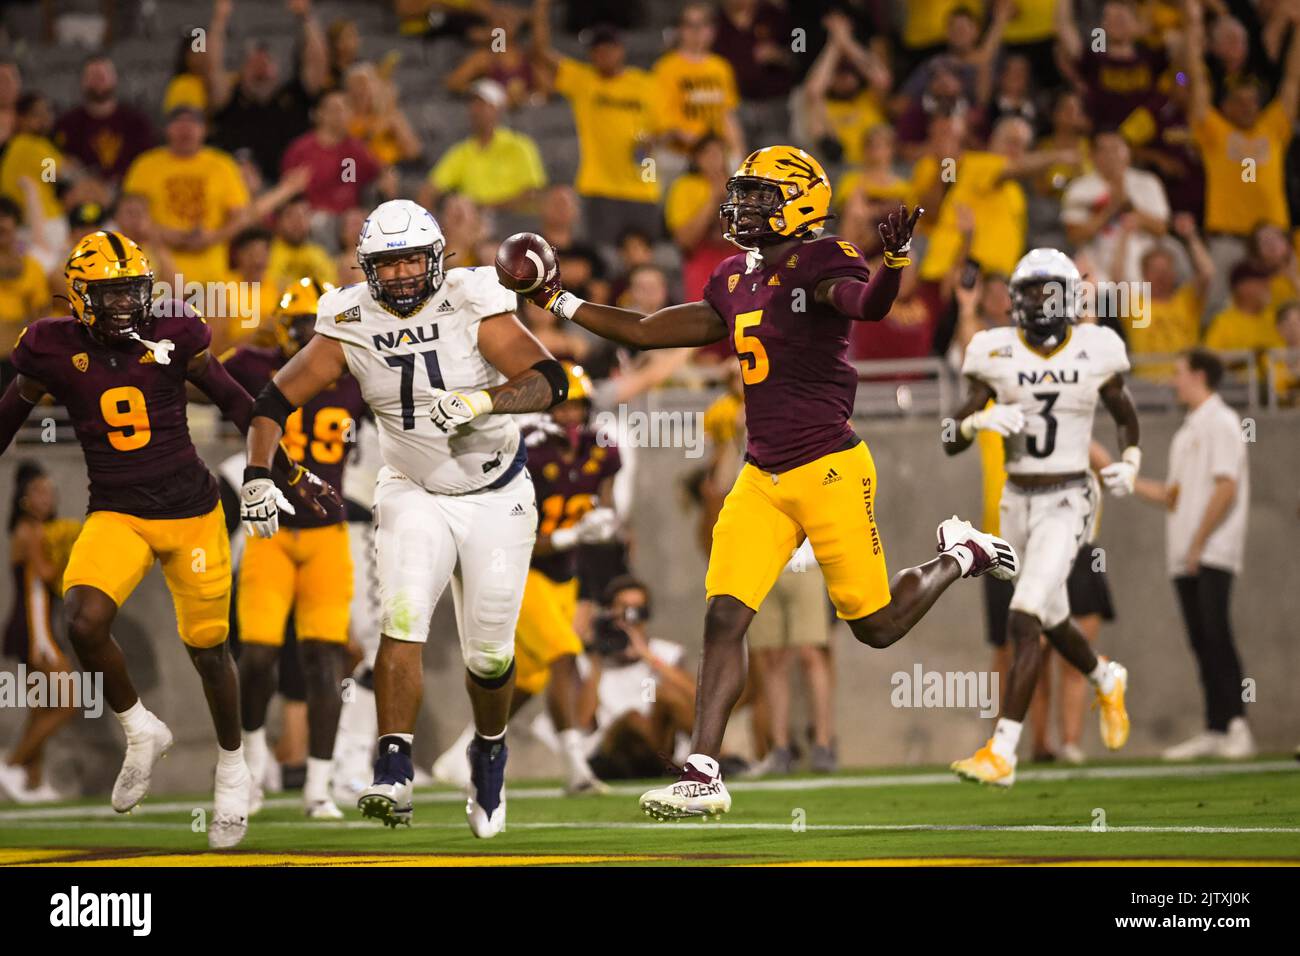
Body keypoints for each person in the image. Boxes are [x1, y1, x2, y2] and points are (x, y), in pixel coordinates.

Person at [515, 146, 1019, 819]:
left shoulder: (823, 258)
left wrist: (894, 263)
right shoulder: (733, 277)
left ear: (802, 202)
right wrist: (557, 299)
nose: (745, 207)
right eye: (744, 194)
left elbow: (866, 306)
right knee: (725, 613)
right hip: (762, 474)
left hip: (830, 467)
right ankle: (703, 771)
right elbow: (644, 329)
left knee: (874, 626)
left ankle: (961, 553)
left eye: (760, 196)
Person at [240, 199, 570, 837]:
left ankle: (489, 747)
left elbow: (550, 380)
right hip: (412, 490)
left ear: (437, 257)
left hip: (495, 495)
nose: (399, 275)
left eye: (412, 260)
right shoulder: (347, 317)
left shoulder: (473, 295)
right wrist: (259, 472)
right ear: (367, 268)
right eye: (386, 265)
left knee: (492, 657)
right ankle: (393, 764)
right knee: (402, 615)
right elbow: (272, 399)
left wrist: (481, 399)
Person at [0, 230, 339, 847]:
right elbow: (5, 419)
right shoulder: (48, 348)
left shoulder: (177, 332)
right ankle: (140, 729)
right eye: (111, 295)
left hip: (191, 512)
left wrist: (281, 471)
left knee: (211, 652)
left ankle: (234, 769)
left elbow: (240, 402)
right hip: (117, 512)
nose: (127, 306)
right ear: (79, 298)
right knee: (82, 620)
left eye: (133, 291)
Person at [944, 248, 1137, 787]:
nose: (1038, 302)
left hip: (1069, 499)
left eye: (1048, 291)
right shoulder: (994, 351)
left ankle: (1002, 751)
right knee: (1051, 619)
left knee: (1023, 616)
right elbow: (945, 438)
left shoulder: (1096, 347)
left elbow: (1125, 411)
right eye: (1029, 291)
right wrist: (977, 422)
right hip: (1014, 503)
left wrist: (1131, 461)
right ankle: (1105, 675)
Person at [432, 363, 619, 795]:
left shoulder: (601, 450)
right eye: (563, 406)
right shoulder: (530, 452)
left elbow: (608, 505)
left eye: (578, 407)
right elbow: (515, 529)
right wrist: (573, 533)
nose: (571, 416)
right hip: (523, 568)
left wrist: (608, 523)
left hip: (564, 578)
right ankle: (576, 768)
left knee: (531, 679)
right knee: (564, 655)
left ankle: (464, 752)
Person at [222, 278, 366, 818]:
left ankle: (318, 788)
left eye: (315, 322)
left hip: (328, 533)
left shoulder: (354, 369)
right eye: (299, 322)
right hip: (270, 533)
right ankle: (253, 768)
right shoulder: (255, 364)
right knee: (256, 655)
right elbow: (203, 376)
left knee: (324, 661)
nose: (307, 332)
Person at [1133, 348, 1256, 759]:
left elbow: (1227, 486)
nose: (1174, 379)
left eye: (1180, 372)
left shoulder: (1222, 422)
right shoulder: (1186, 431)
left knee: (1218, 634)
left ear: (1200, 376)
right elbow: (1173, 495)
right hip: (1186, 552)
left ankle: (1238, 725)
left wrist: (1200, 542)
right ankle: (1216, 726)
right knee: (1201, 639)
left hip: (1212, 550)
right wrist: (1120, 476)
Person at [529, 7, 660, 246]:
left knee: (644, 260)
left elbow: (663, 129)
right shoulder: (584, 80)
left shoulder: (646, 84)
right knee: (605, 258)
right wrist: (541, 9)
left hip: (643, 188)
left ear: (620, 50)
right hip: (599, 187)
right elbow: (540, 52)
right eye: (596, 51)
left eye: (607, 49)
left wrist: (651, 142)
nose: (602, 55)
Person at [0, 462, 78, 803]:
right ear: (24, 500)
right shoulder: (29, 531)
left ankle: (33, 781)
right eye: (39, 492)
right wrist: (69, 549)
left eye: (50, 491)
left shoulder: (40, 530)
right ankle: (12, 763)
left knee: (41, 707)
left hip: (39, 625)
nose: (47, 498)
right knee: (69, 703)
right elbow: (46, 575)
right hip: (33, 629)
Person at [121, 106, 251, 290]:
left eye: (193, 123)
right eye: (179, 123)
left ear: (204, 130)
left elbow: (241, 216)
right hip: (157, 271)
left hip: (211, 274)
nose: (186, 129)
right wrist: (164, 234)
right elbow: (128, 214)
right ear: (166, 129)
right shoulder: (145, 165)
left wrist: (213, 237)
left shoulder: (222, 165)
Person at [420, 80, 547, 212]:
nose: (475, 110)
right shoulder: (462, 151)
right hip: (475, 223)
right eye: (473, 104)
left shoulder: (520, 145)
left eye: (483, 104)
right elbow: (431, 188)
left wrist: (489, 208)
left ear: (498, 109)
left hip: (513, 221)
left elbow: (533, 193)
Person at [52, 55, 156, 186]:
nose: (98, 82)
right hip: (82, 192)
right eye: (92, 76)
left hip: (129, 192)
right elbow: (51, 168)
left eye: (102, 76)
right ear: (82, 81)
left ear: (115, 79)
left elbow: (149, 163)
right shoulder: (66, 124)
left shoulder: (138, 122)